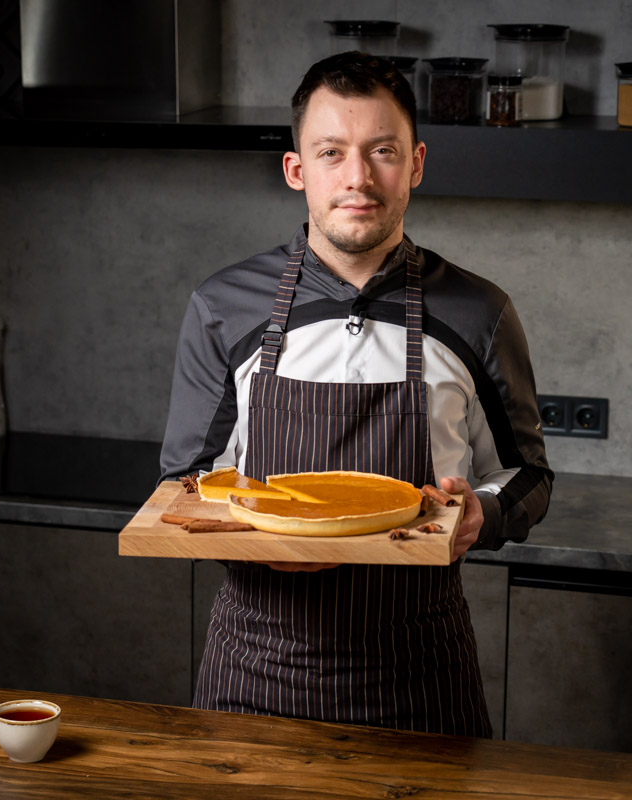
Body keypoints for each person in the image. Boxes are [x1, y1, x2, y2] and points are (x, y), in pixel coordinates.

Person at [159, 51, 552, 737]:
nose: (358, 178)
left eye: (383, 152)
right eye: (332, 152)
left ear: (418, 163)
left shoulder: (479, 312)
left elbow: (527, 477)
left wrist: (479, 518)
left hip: (419, 681)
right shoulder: (223, 307)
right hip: (254, 674)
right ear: (296, 170)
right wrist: (277, 542)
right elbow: (184, 484)